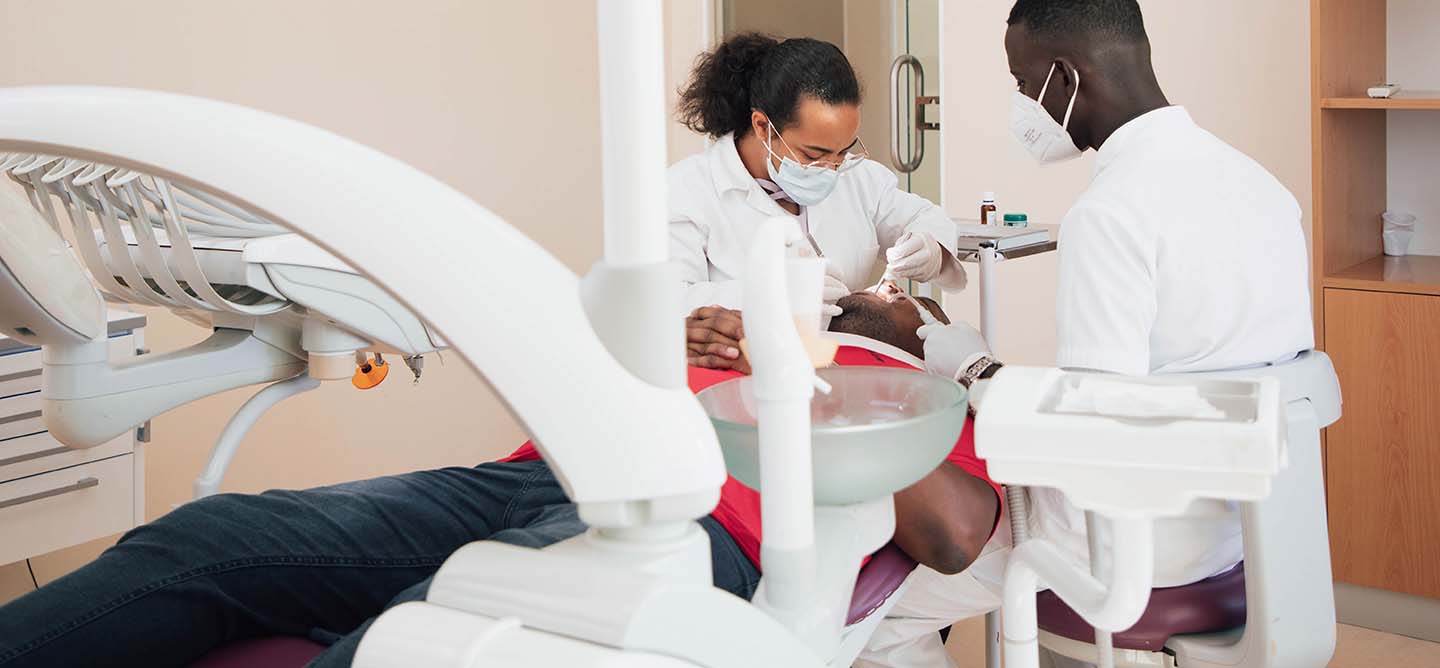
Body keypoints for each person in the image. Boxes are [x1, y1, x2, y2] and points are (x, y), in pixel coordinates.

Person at [0, 299, 999, 668]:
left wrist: (811, 378)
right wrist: (662, 341)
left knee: (430, 631)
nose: (865, 290)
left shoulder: (923, 397)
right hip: (538, 472)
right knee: (214, 538)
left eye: (888, 295)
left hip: (691, 525)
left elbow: (956, 534)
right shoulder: (735, 322)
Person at [862, 0, 1316, 667]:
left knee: (869, 605)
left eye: (1023, 84)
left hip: (1135, 542)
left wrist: (967, 366)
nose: (1022, 104)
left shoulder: (1109, 214)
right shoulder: (1263, 187)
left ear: (1064, 79)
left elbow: (1092, 435)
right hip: (1243, 528)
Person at [672, 33, 966, 358]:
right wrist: (772, 293)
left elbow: (925, 218)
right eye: (814, 154)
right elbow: (668, 303)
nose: (832, 168)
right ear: (762, 126)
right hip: (750, 369)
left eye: (843, 150)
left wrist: (931, 247)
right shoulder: (688, 190)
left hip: (844, 364)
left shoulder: (858, 178)